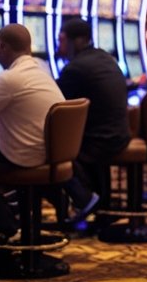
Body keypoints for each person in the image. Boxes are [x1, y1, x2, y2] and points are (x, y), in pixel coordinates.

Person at [0, 23, 86, 243]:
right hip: (52, 152)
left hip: (28, 155)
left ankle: (6, 227)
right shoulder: (42, 69)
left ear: (1, 46)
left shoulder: (8, 78)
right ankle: (13, 214)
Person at [55, 17, 130, 222]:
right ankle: (92, 203)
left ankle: (84, 201)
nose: (58, 45)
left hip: (97, 141)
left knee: (49, 149)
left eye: (61, 39)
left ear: (77, 41)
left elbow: (52, 102)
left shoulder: (76, 68)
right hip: (120, 135)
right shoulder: (106, 58)